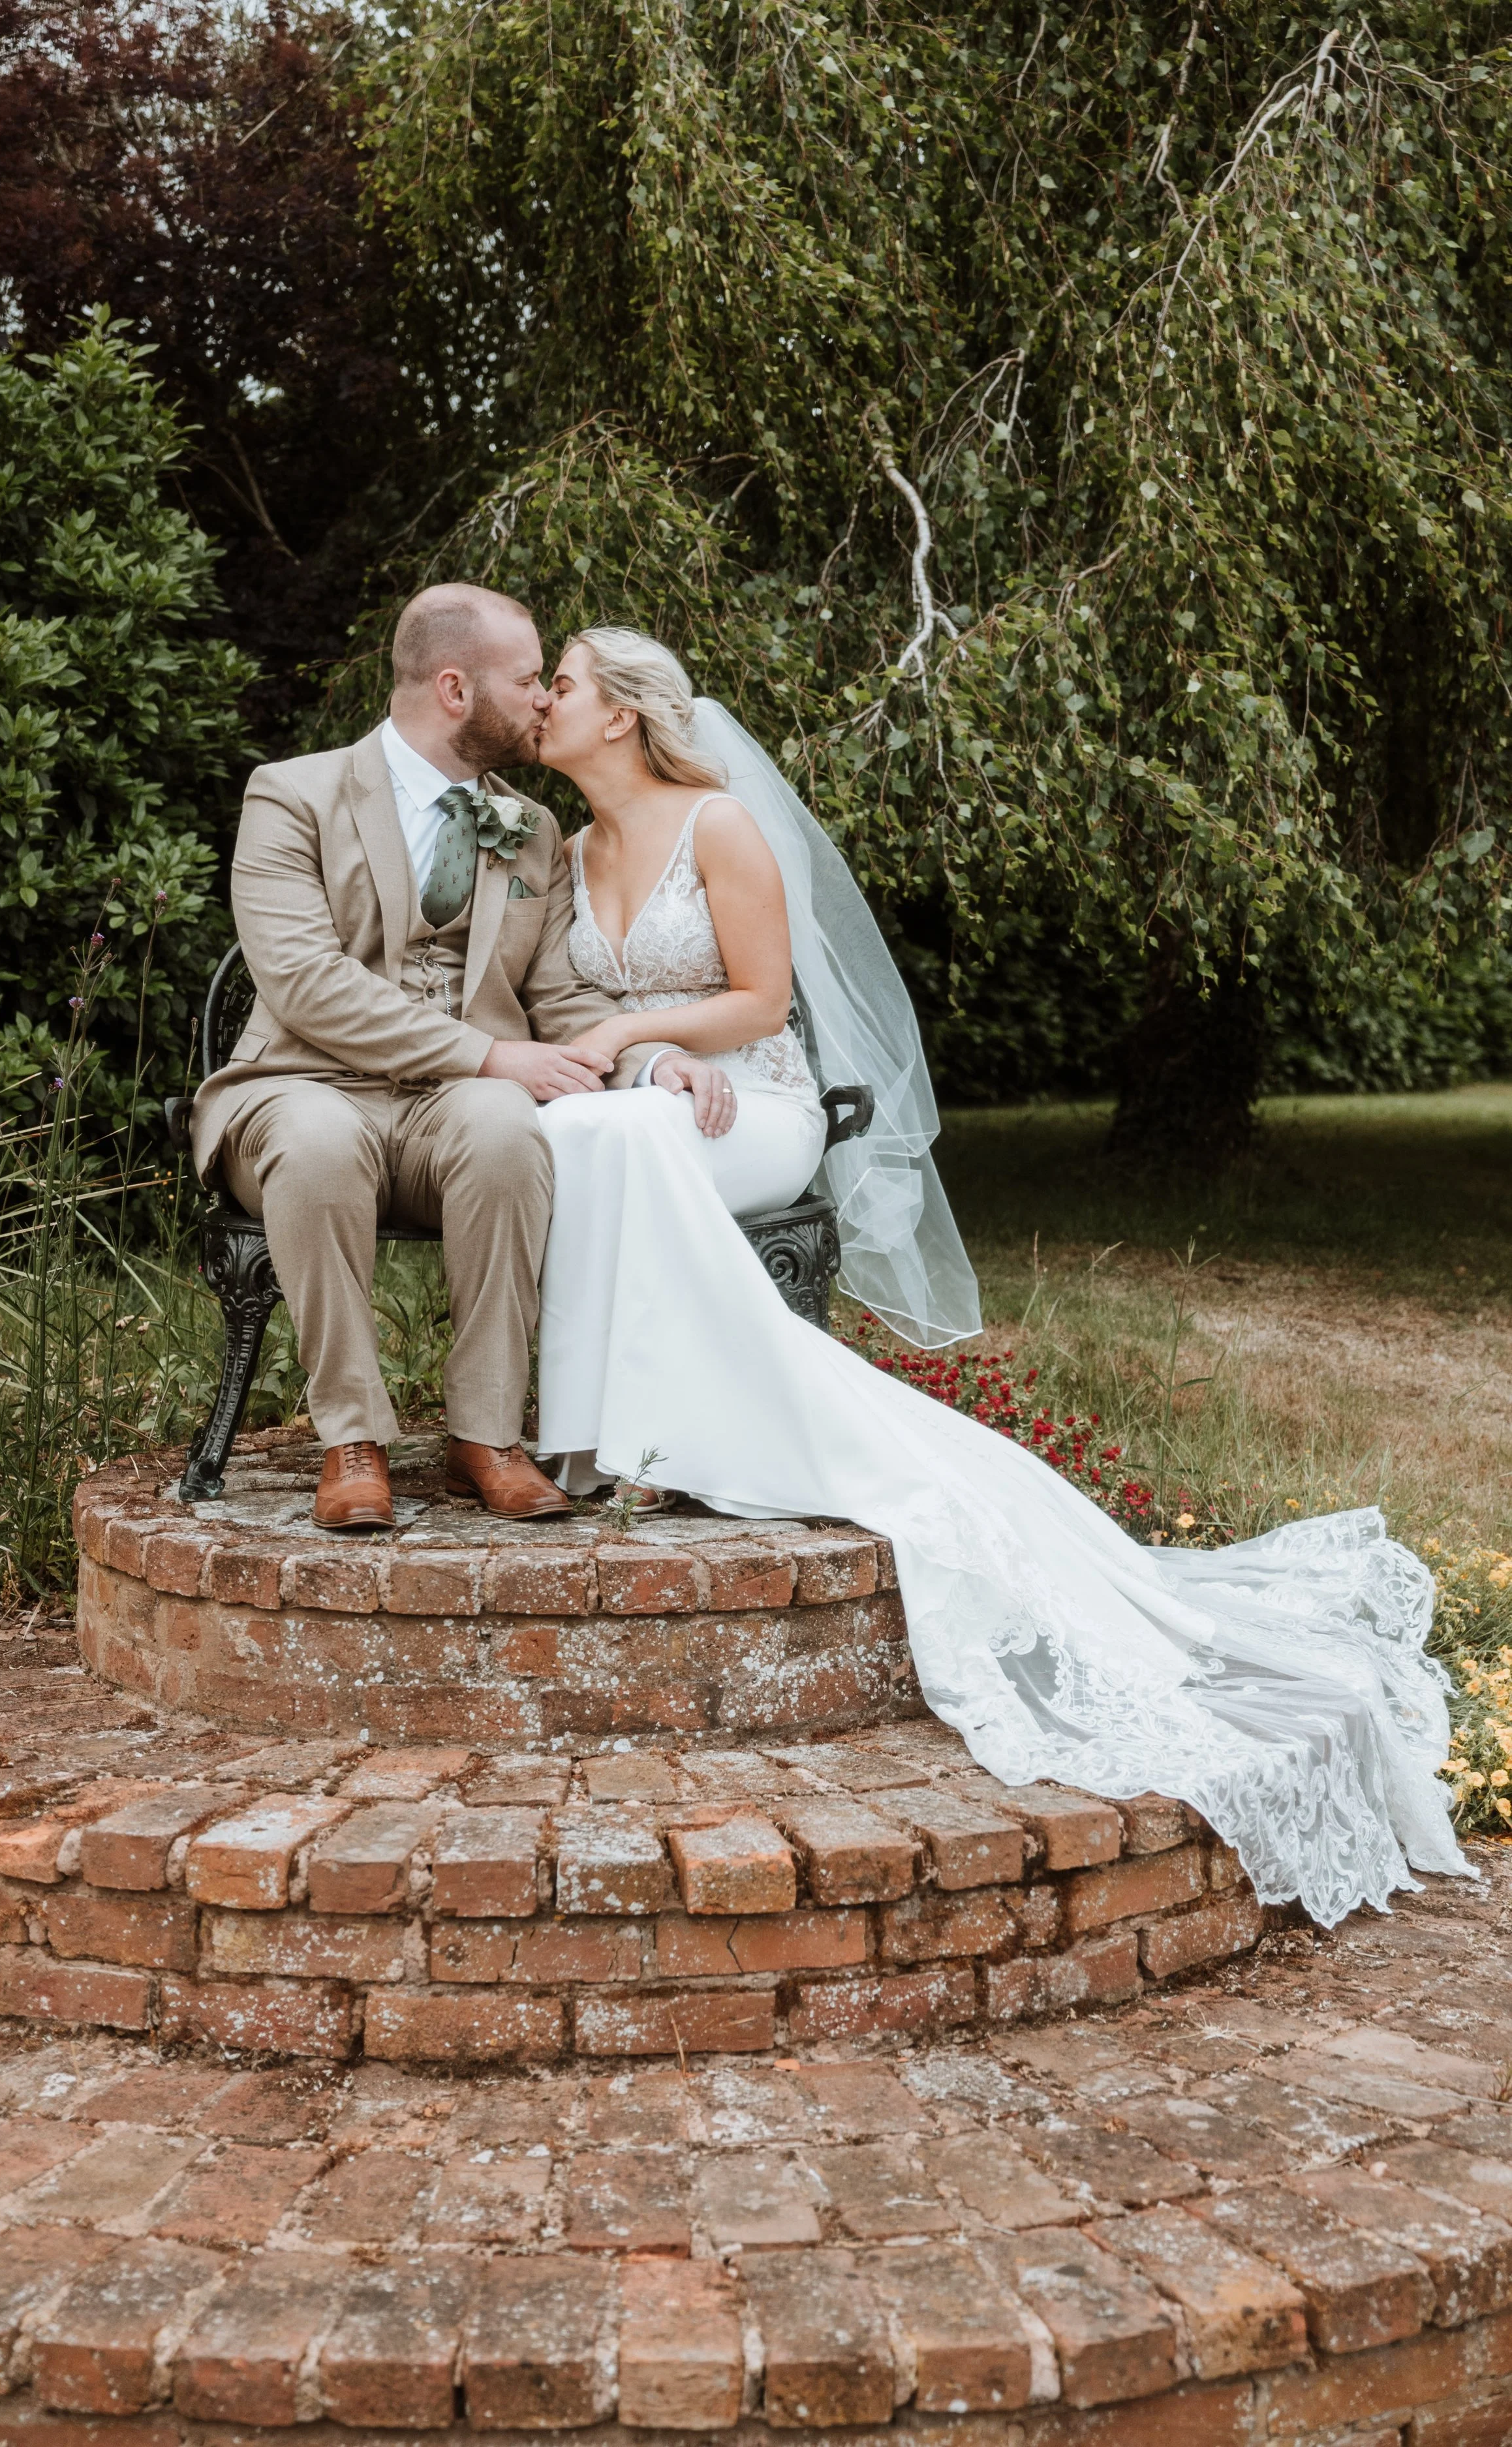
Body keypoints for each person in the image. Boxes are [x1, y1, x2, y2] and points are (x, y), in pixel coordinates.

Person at [530, 626, 1469, 1927]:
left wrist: (643, 1035)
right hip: (653, 1099)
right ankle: (597, 1435)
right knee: (587, 1128)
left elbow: (756, 1001)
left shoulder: (717, 827)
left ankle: (638, 1431)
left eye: (560, 686)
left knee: (623, 1132)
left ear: (622, 716)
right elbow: (554, 1020)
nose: (540, 704)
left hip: (751, 1109)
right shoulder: (565, 853)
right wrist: (631, 1062)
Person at [186, 584, 730, 1531]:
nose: (542, 700)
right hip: (297, 1086)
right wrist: (488, 1052)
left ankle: (486, 1435)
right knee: (317, 1141)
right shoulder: (292, 795)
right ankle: (353, 1440)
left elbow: (560, 994)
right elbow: (308, 984)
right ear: (452, 688)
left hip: (456, 1108)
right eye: (526, 680)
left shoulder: (532, 827)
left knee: (509, 1127)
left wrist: (650, 1061)